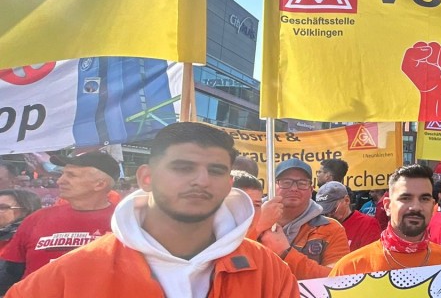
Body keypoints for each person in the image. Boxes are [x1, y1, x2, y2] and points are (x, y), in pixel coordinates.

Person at [5, 122, 298, 297]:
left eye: (216, 170)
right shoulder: (69, 275)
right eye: (182, 167)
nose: (201, 179)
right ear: (146, 177)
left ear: (228, 182)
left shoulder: (266, 269)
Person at [0, 151, 119, 292]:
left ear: (100, 184)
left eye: (71, 175)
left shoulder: (126, 223)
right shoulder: (36, 218)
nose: (60, 181)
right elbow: (11, 273)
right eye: (63, 174)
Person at [330, 165, 441, 275]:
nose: (416, 207)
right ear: (387, 206)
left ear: (432, 205)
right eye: (405, 198)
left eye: (424, 199)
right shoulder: (349, 268)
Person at [256, 159, 349, 279]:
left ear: (311, 190)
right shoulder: (249, 221)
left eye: (302, 183)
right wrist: (258, 227)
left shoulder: (331, 228)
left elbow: (337, 279)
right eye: (286, 182)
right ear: (272, 187)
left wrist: (285, 253)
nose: (294, 188)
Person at [317, 181, 382, 251]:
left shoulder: (367, 224)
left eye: (333, 209)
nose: (328, 215)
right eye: (324, 213)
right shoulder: (319, 226)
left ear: (346, 200)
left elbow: (369, 257)